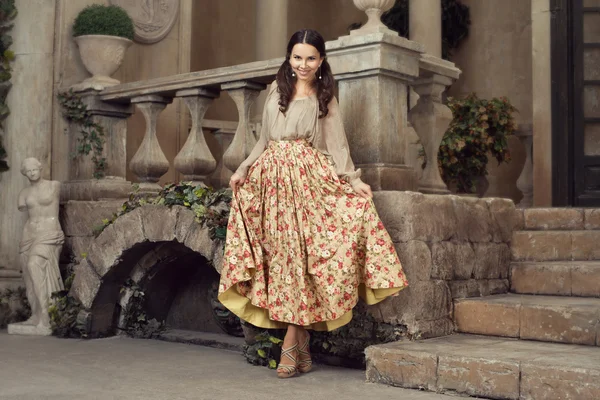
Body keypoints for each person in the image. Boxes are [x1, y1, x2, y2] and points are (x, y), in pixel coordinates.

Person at [218, 29, 408, 378]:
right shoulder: (276, 90)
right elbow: (262, 139)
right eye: (297, 57)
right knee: (283, 261)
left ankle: (291, 342)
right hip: (270, 183)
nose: (303, 64)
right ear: (288, 58)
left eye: (310, 58)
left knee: (305, 260)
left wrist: (354, 181)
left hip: (308, 183)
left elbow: (338, 147)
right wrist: (244, 168)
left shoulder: (325, 97)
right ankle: (301, 346)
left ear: (321, 61)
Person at [14, 157, 64, 334]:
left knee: (34, 265)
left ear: (40, 168)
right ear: (25, 173)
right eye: (28, 171)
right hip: (29, 235)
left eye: (34, 169)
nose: (32, 173)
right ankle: (36, 315)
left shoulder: (54, 186)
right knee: (28, 277)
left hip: (49, 232)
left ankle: (46, 315)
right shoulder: (24, 194)